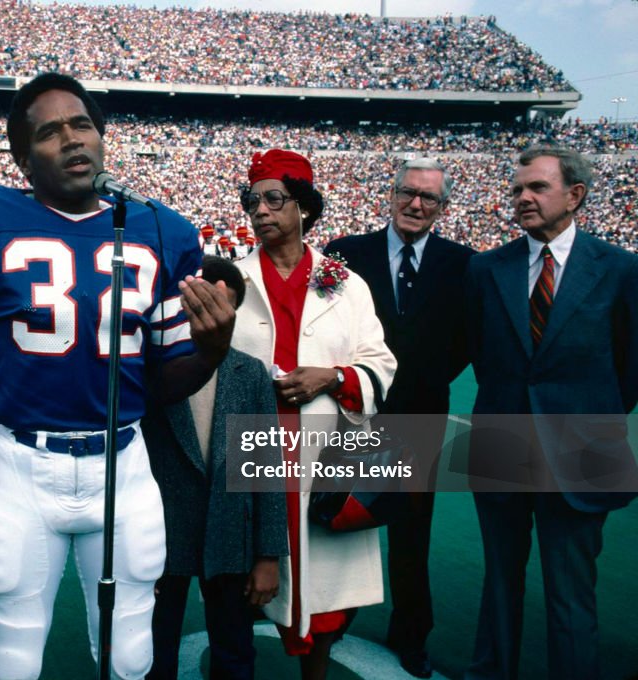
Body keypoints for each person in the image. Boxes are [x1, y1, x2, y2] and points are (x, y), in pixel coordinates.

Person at [0, 72, 234, 680]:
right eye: (50, 132)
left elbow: (162, 381)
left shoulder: (163, 230)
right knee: (12, 651)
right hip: (22, 467)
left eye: (81, 124)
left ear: (103, 137)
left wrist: (212, 351)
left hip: (125, 463)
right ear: (22, 158)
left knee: (132, 651)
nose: (72, 139)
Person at [464, 145, 638, 679]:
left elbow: (629, 367)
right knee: (499, 585)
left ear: (575, 196)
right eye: (517, 188)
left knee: (571, 595)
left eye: (537, 187)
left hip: (584, 451)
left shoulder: (620, 269)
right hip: (502, 448)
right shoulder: (487, 268)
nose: (522, 197)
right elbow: (480, 351)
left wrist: (582, 417)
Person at [230, 149, 396, 680]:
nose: (259, 211)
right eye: (251, 200)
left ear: (304, 207)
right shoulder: (231, 282)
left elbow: (379, 361)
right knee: (240, 588)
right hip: (253, 455)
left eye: (273, 199)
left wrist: (332, 376)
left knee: (324, 598)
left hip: (326, 457)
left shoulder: (345, 283)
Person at [324, 158, 475, 678]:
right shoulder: (346, 252)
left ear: (443, 207)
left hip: (420, 418)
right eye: (407, 193)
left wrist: (422, 380)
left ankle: (411, 635)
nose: (415, 204)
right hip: (354, 415)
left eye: (428, 198)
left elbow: (464, 342)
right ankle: (333, 617)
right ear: (389, 195)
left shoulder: (463, 263)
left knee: (413, 533)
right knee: (339, 520)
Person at [143, 255, 288, 680]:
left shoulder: (250, 373)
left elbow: (266, 466)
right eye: (199, 300)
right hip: (159, 538)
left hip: (230, 535)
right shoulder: (152, 367)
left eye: (220, 304)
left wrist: (268, 556)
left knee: (235, 652)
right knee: (152, 651)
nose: (208, 313)